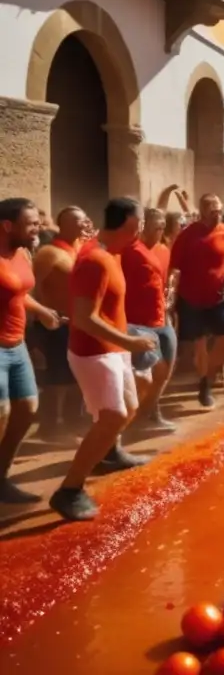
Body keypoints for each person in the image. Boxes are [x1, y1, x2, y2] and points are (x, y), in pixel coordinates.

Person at [51, 198, 158, 521]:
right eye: (139, 223)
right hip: (94, 352)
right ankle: (69, 490)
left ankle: (109, 453)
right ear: (129, 223)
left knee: (129, 407)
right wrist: (129, 341)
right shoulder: (95, 260)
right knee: (111, 416)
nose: (141, 229)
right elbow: (83, 317)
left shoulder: (112, 252)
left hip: (114, 348)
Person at [0, 198, 62, 503]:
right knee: (2, 412)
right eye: (31, 223)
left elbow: (19, 292)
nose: (37, 228)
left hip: (17, 345)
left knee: (27, 409)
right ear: (7, 226)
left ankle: (1, 477)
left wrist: (43, 311)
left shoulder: (22, 252)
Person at [170, 194, 224, 408]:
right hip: (192, 298)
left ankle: (208, 378)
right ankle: (204, 386)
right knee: (199, 346)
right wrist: (172, 293)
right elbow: (174, 267)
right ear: (202, 212)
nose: (218, 215)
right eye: (213, 211)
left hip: (219, 296)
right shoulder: (187, 235)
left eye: (219, 210)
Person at [31, 205, 88, 440]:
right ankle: (51, 427)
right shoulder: (49, 253)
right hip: (54, 325)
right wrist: (40, 318)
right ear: (62, 225)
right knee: (58, 378)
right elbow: (30, 290)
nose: (84, 224)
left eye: (85, 220)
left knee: (77, 377)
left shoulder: (82, 249)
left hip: (79, 324)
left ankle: (73, 423)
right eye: (78, 221)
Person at [121, 208, 177, 431]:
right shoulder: (129, 251)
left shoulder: (163, 250)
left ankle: (151, 411)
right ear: (143, 227)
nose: (160, 231)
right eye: (156, 227)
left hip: (162, 317)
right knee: (147, 373)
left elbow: (164, 281)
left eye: (163, 227)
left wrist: (168, 301)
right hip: (138, 321)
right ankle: (130, 419)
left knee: (165, 371)